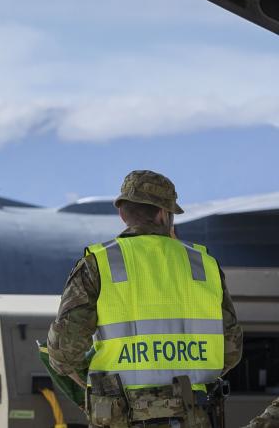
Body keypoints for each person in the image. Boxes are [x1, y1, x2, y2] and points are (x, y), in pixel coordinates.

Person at [47, 170, 242, 428]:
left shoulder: (98, 264)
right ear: (164, 213)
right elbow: (231, 351)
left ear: (123, 214)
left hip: (121, 416)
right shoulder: (204, 265)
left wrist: (95, 381)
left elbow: (63, 353)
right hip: (191, 414)